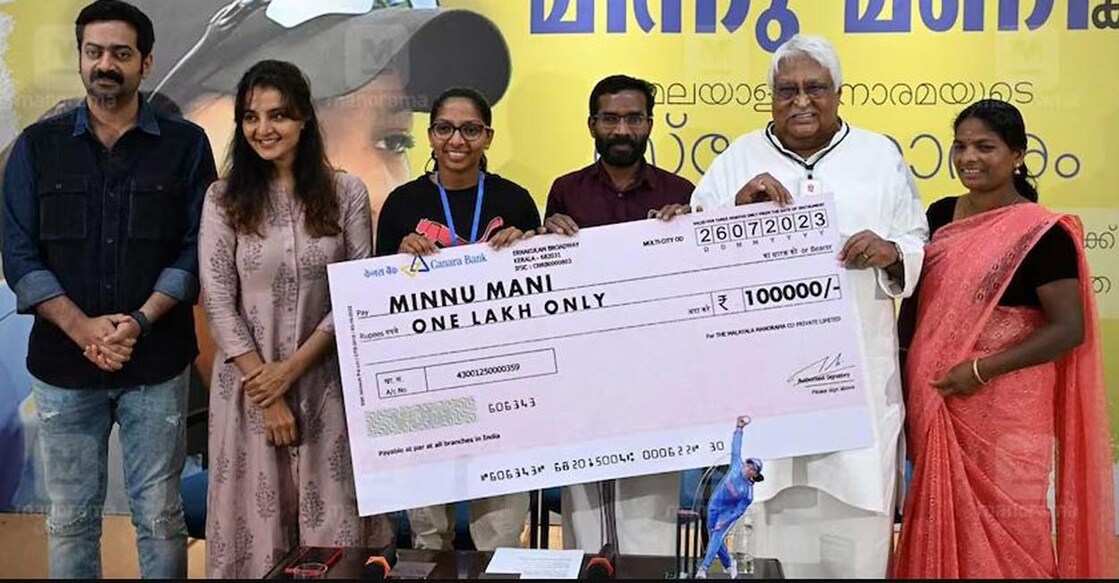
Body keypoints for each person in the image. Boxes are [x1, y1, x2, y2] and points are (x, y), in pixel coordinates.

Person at [689, 34, 928, 578]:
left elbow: (916, 242)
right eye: (787, 89)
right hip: (765, 389)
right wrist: (733, 211)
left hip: (856, 390)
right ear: (771, 96)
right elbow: (694, 254)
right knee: (768, 539)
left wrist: (891, 253)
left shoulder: (878, 156)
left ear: (839, 94)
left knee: (856, 540)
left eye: (815, 88)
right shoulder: (738, 158)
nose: (801, 100)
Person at [0, 1, 217, 578]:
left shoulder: (186, 145)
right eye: (94, 52)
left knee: (160, 516)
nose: (106, 65)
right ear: (79, 60)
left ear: (145, 63)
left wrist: (138, 322)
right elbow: (18, 252)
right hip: (63, 368)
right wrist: (82, 327)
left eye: (120, 54)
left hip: (158, 363)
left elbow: (199, 246)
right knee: (70, 519)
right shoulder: (37, 147)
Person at [891, 99, 1116, 578]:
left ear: (1017, 154)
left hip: (1006, 414)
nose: (969, 157)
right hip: (936, 401)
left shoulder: (1042, 233)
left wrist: (979, 370)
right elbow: (915, 306)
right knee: (935, 521)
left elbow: (1067, 328)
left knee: (1017, 531)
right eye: (961, 146)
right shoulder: (939, 216)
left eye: (985, 147)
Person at [198, 60, 390, 577]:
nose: (264, 129)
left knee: (331, 525)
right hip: (249, 393)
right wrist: (270, 387)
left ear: (304, 118)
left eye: (278, 114)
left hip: (327, 385)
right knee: (256, 528)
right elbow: (218, 300)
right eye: (251, 117)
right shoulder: (222, 199)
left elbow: (354, 293)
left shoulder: (345, 192)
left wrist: (292, 370)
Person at [375, 86, 539, 550]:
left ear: (488, 136)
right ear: (429, 135)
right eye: (445, 128)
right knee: (429, 534)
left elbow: (540, 289)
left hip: (500, 384)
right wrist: (396, 257)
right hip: (428, 387)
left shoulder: (516, 200)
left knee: (501, 533)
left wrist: (526, 244)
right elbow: (376, 300)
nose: (457, 140)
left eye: (470, 129)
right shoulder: (401, 206)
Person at [539, 74, 695, 556]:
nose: (622, 129)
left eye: (633, 118)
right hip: (585, 373)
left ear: (649, 124)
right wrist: (547, 237)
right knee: (585, 508)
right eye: (610, 118)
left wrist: (690, 232)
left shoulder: (682, 192)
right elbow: (550, 283)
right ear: (592, 125)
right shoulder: (566, 191)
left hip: (657, 372)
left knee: (652, 506)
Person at [695, 415, 763, 580]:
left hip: (727, 514)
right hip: (714, 506)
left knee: (717, 536)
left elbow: (737, 513)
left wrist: (724, 521)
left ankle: (703, 569)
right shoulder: (736, 466)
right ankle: (728, 564)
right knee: (714, 539)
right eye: (747, 464)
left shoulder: (747, 494)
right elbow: (736, 448)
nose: (747, 467)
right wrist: (739, 428)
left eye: (751, 467)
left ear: (754, 473)